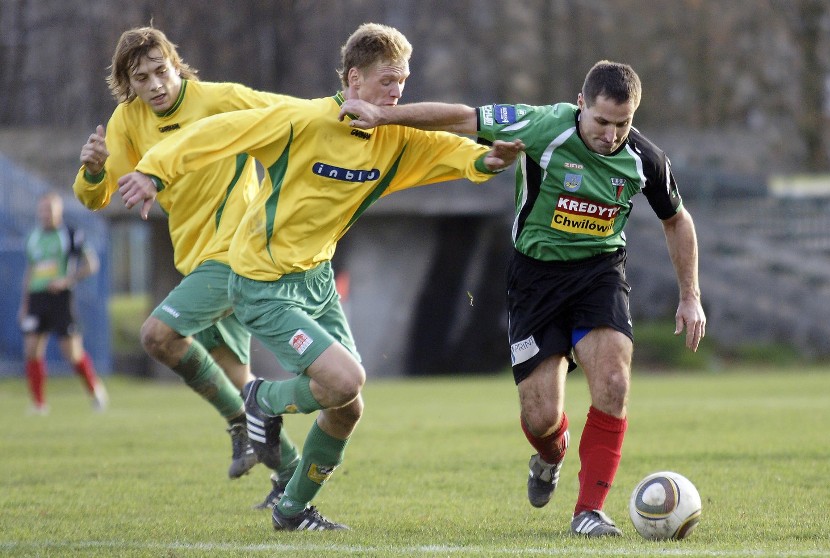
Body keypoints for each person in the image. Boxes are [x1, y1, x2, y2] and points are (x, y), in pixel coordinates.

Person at [116, 22, 523, 531]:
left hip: (316, 281)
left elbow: (457, 154)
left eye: (403, 82)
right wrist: (154, 171)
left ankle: (292, 510)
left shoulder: (396, 139)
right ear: (354, 79)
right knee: (347, 379)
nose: (397, 93)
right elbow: (216, 133)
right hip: (260, 281)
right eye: (387, 81)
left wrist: (490, 158)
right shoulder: (303, 120)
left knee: (347, 406)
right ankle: (260, 399)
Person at [340, 60, 706, 537]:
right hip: (535, 280)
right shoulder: (542, 126)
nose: (611, 135)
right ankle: (549, 457)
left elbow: (677, 220)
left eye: (623, 123)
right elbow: (461, 116)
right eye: (602, 122)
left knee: (614, 383)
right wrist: (383, 115)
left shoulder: (645, 159)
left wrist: (690, 296)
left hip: (600, 274)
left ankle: (588, 512)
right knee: (541, 417)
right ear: (580, 105)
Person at [72, 26, 303, 489]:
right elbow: (95, 198)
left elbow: (293, 115)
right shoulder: (128, 120)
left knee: (158, 336)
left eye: (161, 71)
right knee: (239, 379)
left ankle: (241, 422)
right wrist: (94, 170)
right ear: (128, 82)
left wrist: (352, 110)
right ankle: (292, 481)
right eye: (142, 78)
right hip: (195, 260)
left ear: (176, 65)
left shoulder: (221, 99)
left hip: (239, 253)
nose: (155, 84)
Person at [19, 192, 109, 414]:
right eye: (41, 210)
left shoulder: (70, 235)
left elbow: (91, 264)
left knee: (72, 352)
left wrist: (67, 280)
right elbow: (30, 271)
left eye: (49, 210)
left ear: (58, 211)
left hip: (61, 298)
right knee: (32, 349)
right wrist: (25, 304)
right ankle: (39, 404)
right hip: (37, 298)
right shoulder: (33, 237)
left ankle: (95, 390)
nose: (44, 215)